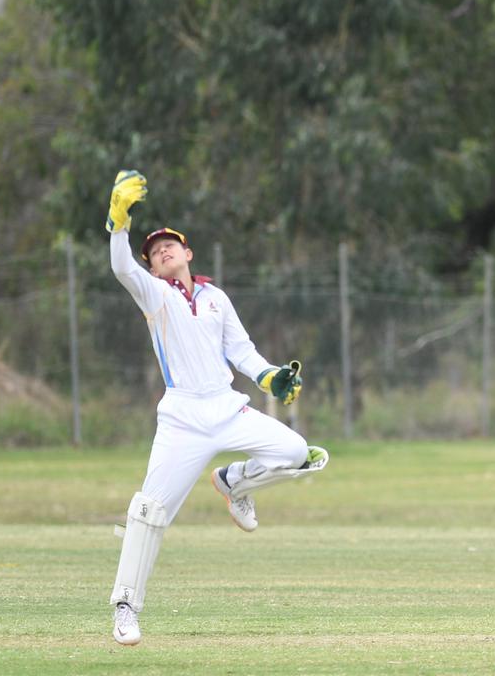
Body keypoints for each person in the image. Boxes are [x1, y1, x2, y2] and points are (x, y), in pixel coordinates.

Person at [103, 169, 329, 645]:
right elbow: (123, 269)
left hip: (228, 408)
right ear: (154, 266)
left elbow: (242, 352)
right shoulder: (155, 295)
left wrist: (274, 378)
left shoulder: (216, 298)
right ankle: (126, 606)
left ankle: (233, 482)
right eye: (154, 251)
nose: (162, 251)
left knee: (297, 453)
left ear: (188, 253)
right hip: (183, 417)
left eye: (170, 245)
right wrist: (118, 224)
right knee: (149, 510)